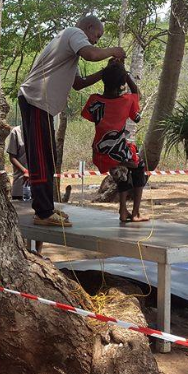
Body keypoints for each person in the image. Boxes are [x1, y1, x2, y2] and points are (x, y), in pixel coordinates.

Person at [18, 15, 126, 227]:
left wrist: (106, 71)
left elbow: (78, 83)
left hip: (41, 104)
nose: (95, 41)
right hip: (36, 100)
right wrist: (114, 50)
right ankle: (43, 212)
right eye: (97, 35)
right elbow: (91, 54)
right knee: (41, 156)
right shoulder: (73, 33)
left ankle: (46, 207)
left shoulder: (69, 50)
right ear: (88, 27)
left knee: (47, 156)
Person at [81, 62, 147, 223]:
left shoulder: (94, 100)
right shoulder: (126, 101)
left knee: (123, 171)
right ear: (122, 83)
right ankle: (136, 212)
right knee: (139, 167)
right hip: (118, 151)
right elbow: (137, 102)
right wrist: (126, 75)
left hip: (100, 152)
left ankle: (123, 211)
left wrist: (110, 71)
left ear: (104, 80)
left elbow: (89, 116)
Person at [5, 126, 30, 201]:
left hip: (38, 187)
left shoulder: (41, 132)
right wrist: (25, 171)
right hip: (20, 184)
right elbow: (12, 157)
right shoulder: (16, 131)